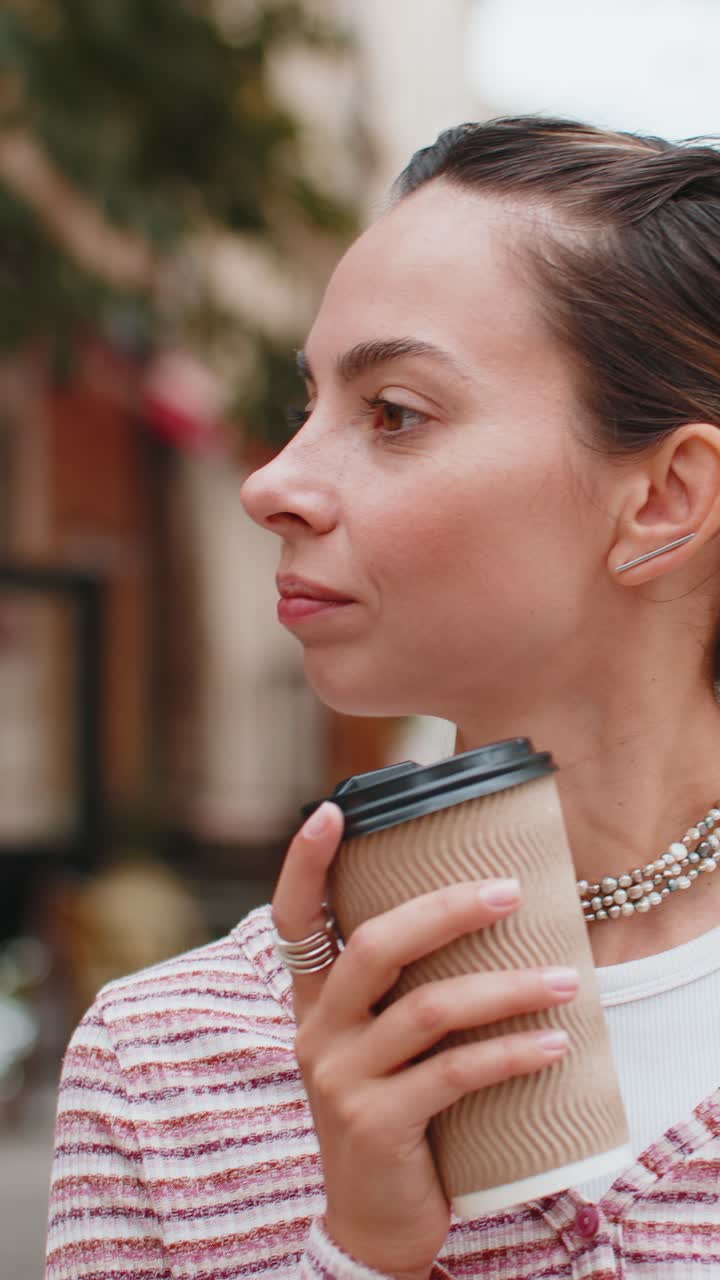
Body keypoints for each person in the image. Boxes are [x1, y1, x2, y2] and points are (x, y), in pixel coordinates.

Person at [46, 116, 720, 1279]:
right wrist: (358, 1254)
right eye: (306, 402)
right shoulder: (167, 1064)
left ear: (666, 495)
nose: (273, 481)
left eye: (394, 413)